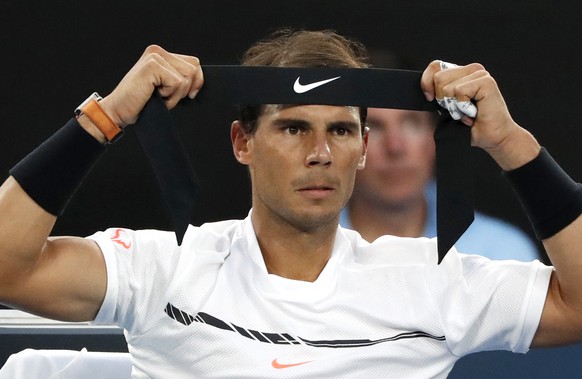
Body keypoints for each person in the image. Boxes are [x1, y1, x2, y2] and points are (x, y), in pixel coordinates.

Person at [1, 29, 582, 378]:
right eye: (294, 128)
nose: (321, 153)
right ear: (242, 142)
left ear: (363, 149)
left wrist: (510, 144)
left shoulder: (435, 281)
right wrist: (107, 117)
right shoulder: (167, 266)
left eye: (342, 131)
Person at [340, 51, 540, 261]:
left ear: (433, 137)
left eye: (411, 124)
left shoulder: (501, 253)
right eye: (376, 127)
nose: (395, 147)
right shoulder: (309, 250)